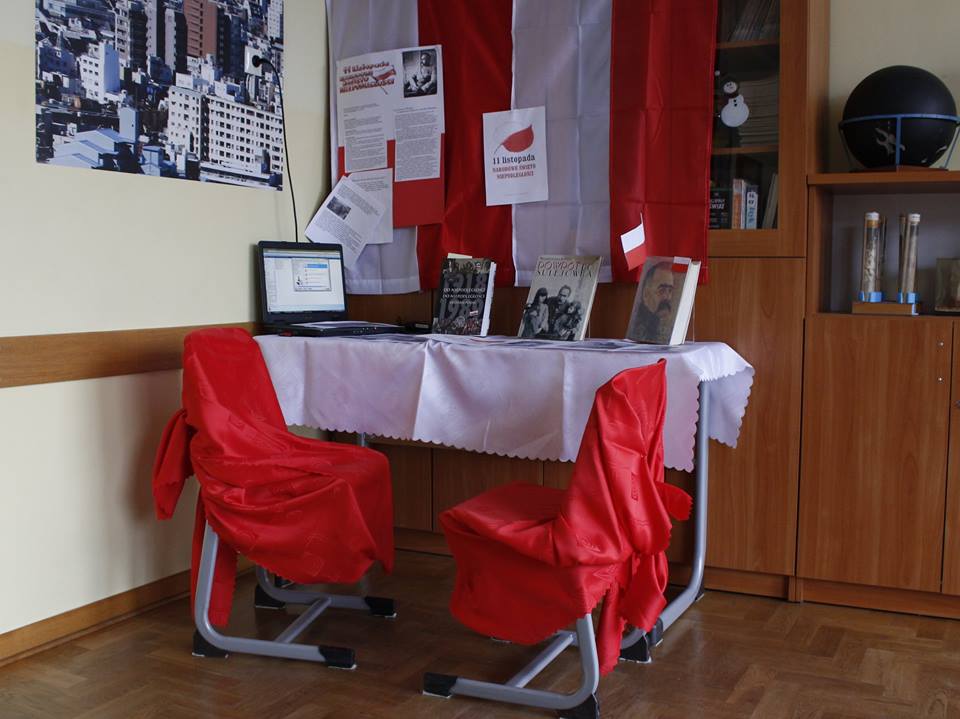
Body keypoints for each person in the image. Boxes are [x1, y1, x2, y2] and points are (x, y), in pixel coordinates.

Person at [632, 261, 676, 343]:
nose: (667, 297)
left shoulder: (668, 326)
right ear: (646, 294)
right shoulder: (638, 329)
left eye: (670, 290)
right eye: (661, 290)